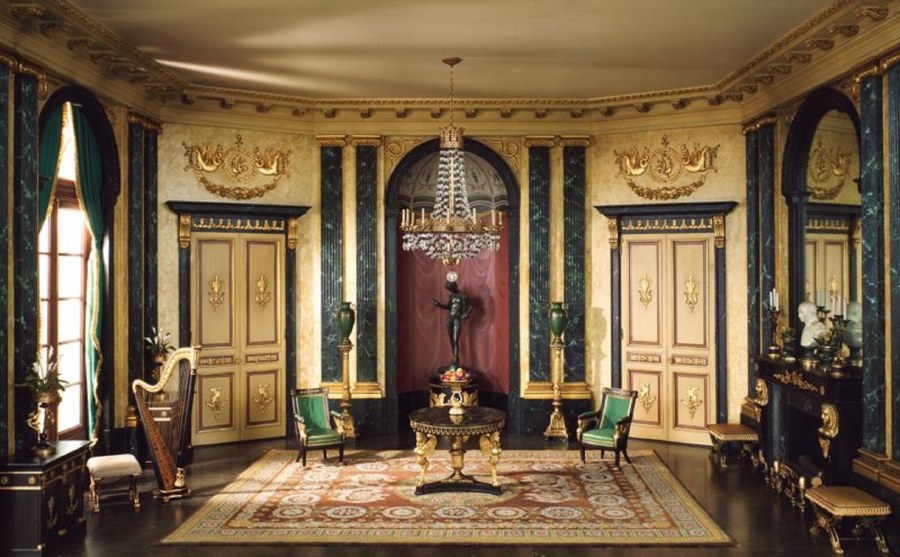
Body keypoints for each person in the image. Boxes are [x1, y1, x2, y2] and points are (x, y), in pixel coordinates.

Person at [433, 272, 473, 369]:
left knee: (455, 339)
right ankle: (454, 360)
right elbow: (449, 307)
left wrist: (466, 314)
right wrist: (439, 305)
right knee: (451, 339)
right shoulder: (451, 296)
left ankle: (455, 360)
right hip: (449, 319)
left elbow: (471, 306)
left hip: (457, 319)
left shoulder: (463, 295)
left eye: (451, 289)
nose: (450, 291)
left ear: (455, 286)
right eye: (449, 290)